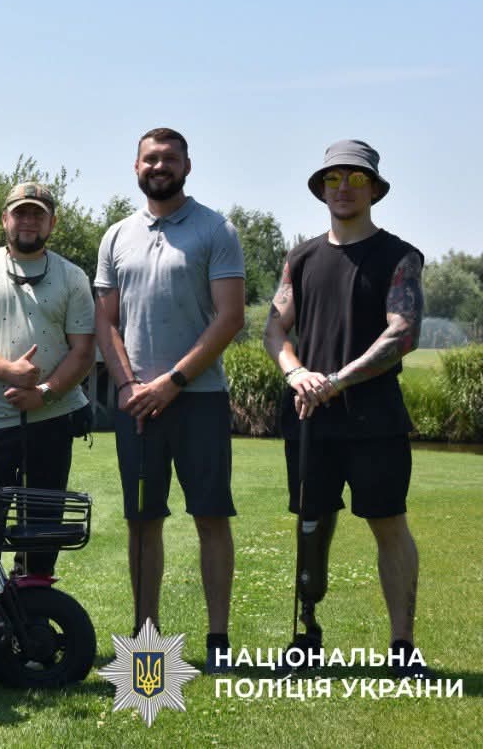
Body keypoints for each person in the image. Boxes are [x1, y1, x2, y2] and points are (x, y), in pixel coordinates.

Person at [263, 139, 431, 679]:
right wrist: (296, 373)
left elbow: (401, 334)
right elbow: (274, 328)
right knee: (311, 523)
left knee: (388, 523)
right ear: (321, 189)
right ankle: (306, 634)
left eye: (355, 179)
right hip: (309, 416)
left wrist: (336, 380)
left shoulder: (399, 256)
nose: (343, 188)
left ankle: (402, 648)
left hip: (375, 417)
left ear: (374, 189)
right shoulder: (301, 258)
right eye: (334, 179)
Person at [93, 128, 245, 673]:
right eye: (150, 158)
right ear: (136, 166)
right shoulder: (116, 237)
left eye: (170, 158)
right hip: (134, 404)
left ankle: (219, 641)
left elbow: (230, 317)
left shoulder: (215, 229)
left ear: (187, 165)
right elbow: (106, 321)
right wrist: (130, 385)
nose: (160, 166)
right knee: (141, 521)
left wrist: (172, 382)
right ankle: (146, 636)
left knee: (210, 516)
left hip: (198, 399)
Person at [0, 182, 96, 578]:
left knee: (43, 530)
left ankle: (35, 615)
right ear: (4, 219)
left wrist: (44, 393)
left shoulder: (73, 276)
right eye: (20, 212)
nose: (28, 221)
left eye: (38, 214)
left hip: (53, 419)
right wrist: (9, 371)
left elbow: (83, 352)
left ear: (52, 222)